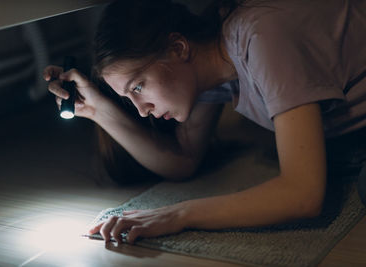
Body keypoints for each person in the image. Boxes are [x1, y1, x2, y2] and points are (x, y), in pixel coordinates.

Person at [43, 0, 366, 245]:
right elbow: (182, 161)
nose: (141, 110)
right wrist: (97, 110)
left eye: (138, 87)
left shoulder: (260, 36)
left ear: (178, 47)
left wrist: (180, 214)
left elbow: (302, 194)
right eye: (130, 98)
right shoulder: (213, 77)